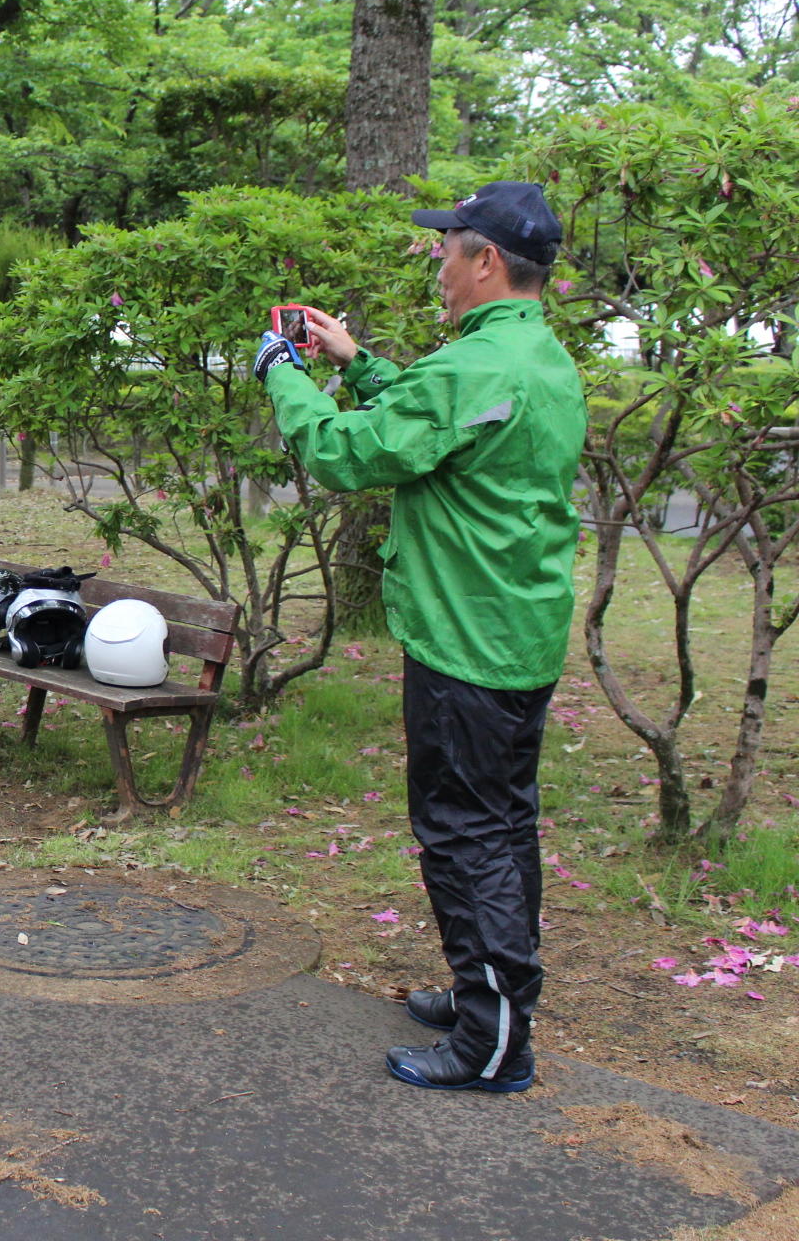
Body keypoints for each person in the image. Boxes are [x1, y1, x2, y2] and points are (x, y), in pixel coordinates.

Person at [255, 181, 586, 1092]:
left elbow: (349, 454)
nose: (437, 261)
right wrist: (357, 361)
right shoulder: (529, 356)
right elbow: (432, 425)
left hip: (464, 640)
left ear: (485, 259)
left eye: (448, 247)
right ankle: (491, 994)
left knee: (464, 834)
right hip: (515, 634)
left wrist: (283, 373)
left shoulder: (476, 367)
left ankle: (492, 1043)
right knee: (502, 824)